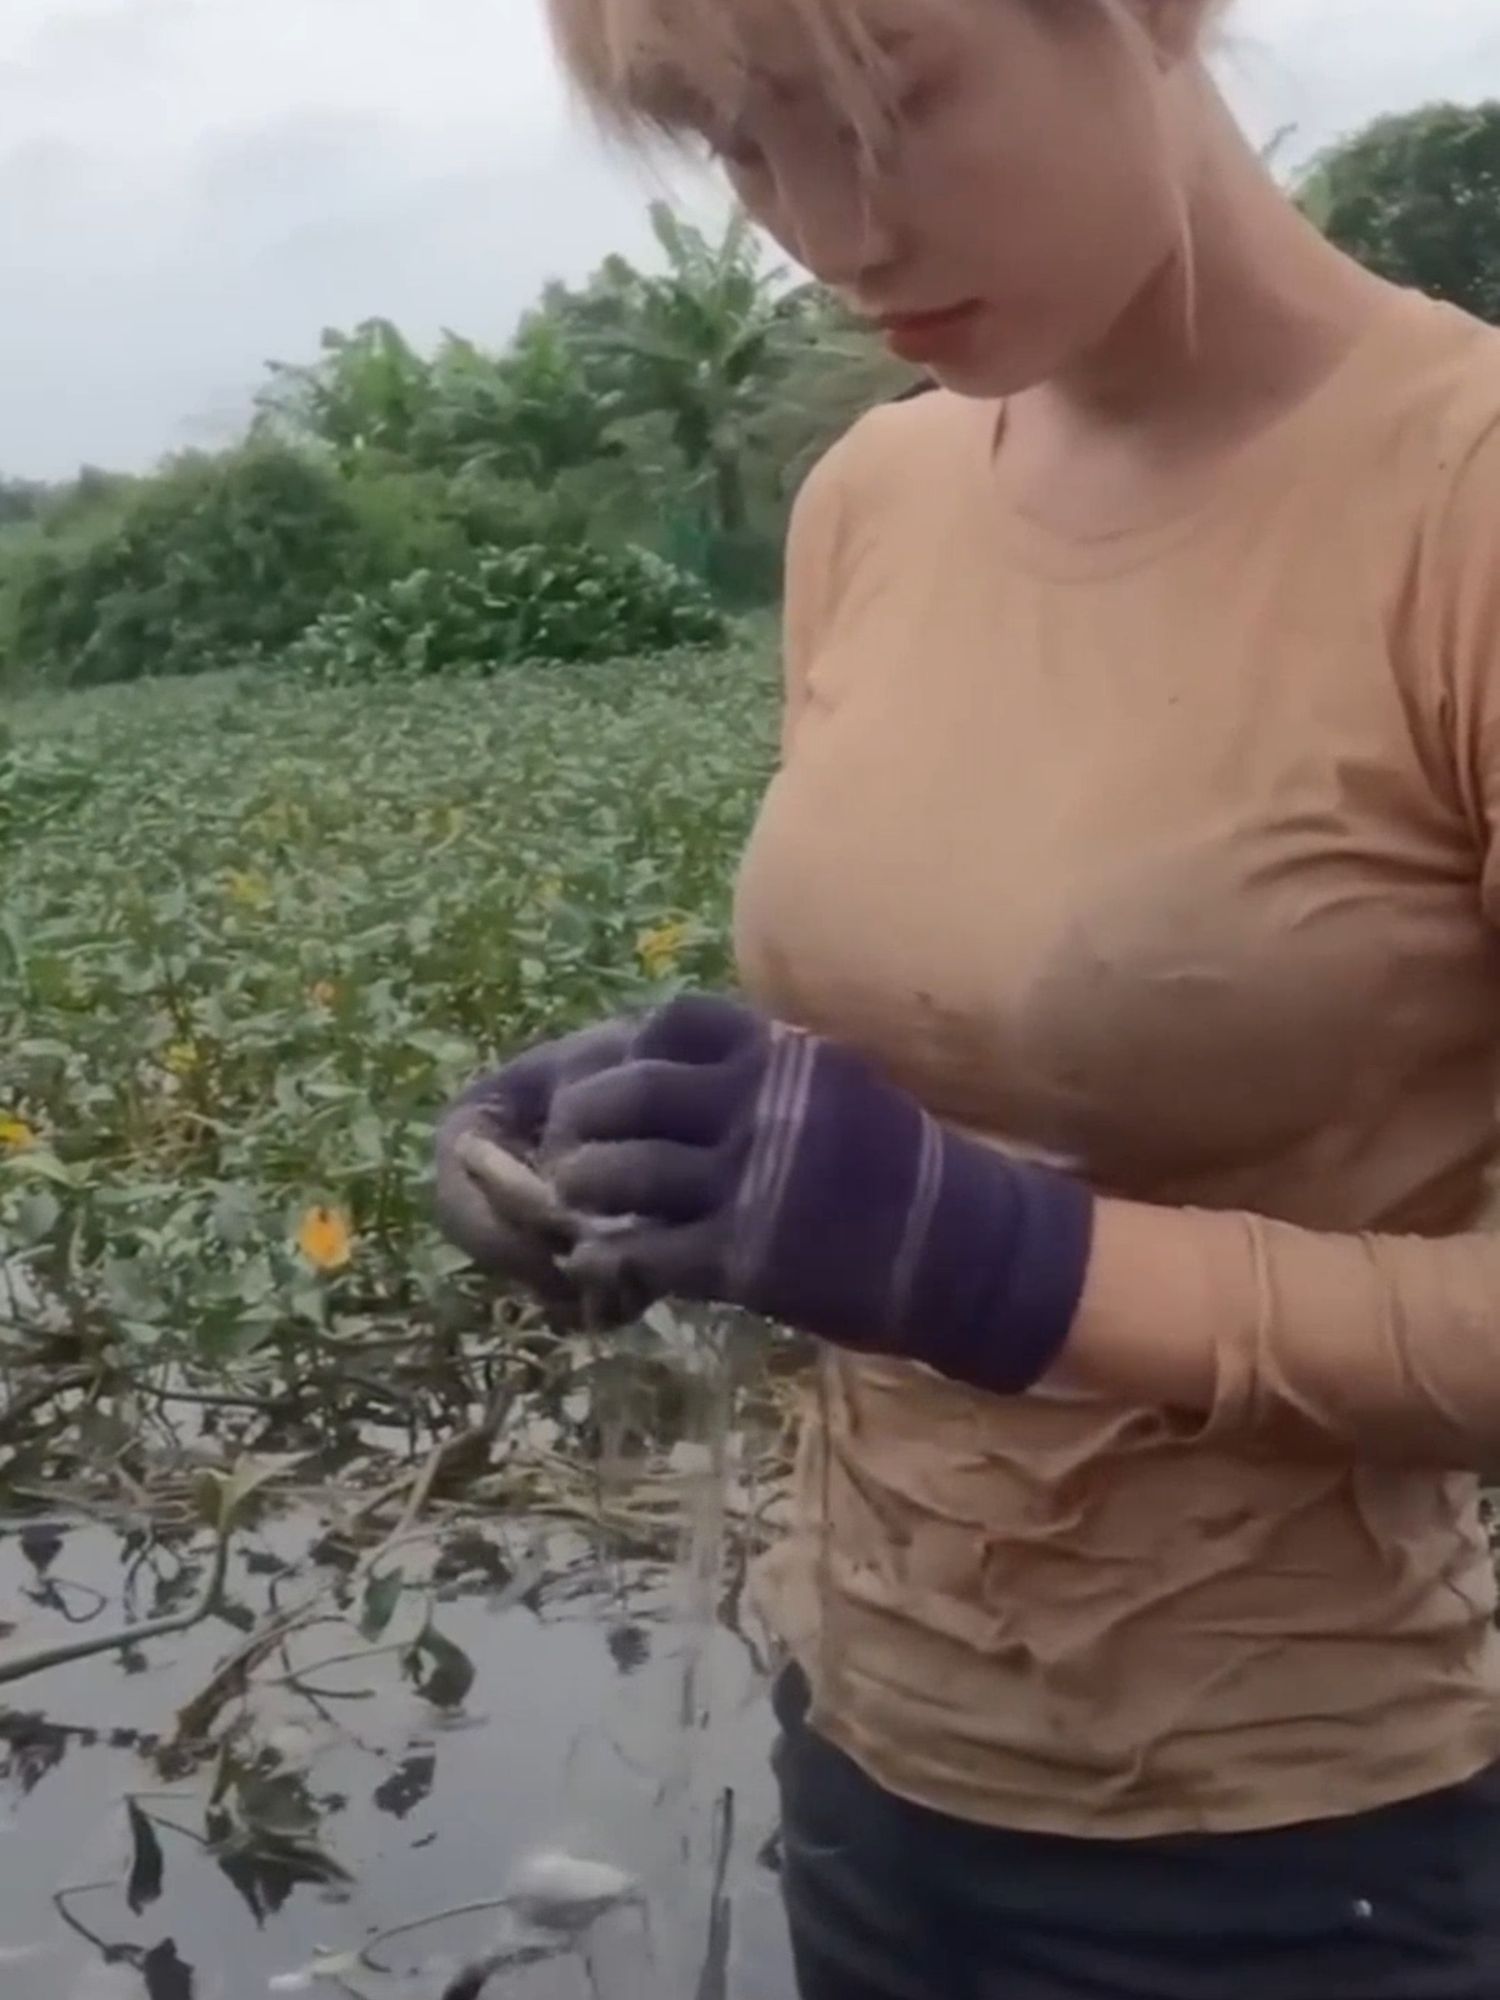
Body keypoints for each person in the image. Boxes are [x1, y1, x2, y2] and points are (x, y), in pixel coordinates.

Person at [433, 0, 1500, 1993]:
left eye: (891, 106)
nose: (834, 234)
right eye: (744, 148)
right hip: (865, 1744)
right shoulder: (874, 501)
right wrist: (664, 1147)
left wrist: (1009, 1262)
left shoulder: (1461, 500)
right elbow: (944, 1033)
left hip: (1279, 1840)